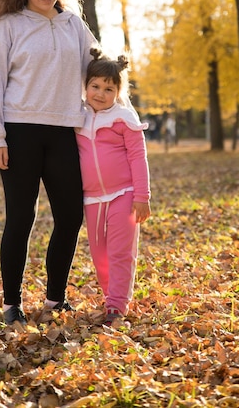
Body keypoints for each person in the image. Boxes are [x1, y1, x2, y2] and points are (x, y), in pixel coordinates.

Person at [0, 0, 97, 327]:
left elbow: (98, 72)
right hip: (19, 134)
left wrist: (119, 116)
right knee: (21, 218)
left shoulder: (73, 24)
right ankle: (12, 303)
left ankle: (55, 299)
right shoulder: (8, 25)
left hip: (63, 133)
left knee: (70, 215)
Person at [75, 48, 151, 326]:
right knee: (99, 253)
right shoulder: (78, 118)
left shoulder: (124, 119)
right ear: (85, 86)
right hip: (92, 198)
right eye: (94, 86)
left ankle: (117, 305)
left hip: (124, 193)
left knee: (121, 250)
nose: (100, 93)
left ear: (118, 92)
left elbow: (137, 157)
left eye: (108, 88)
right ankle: (111, 297)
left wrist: (141, 197)